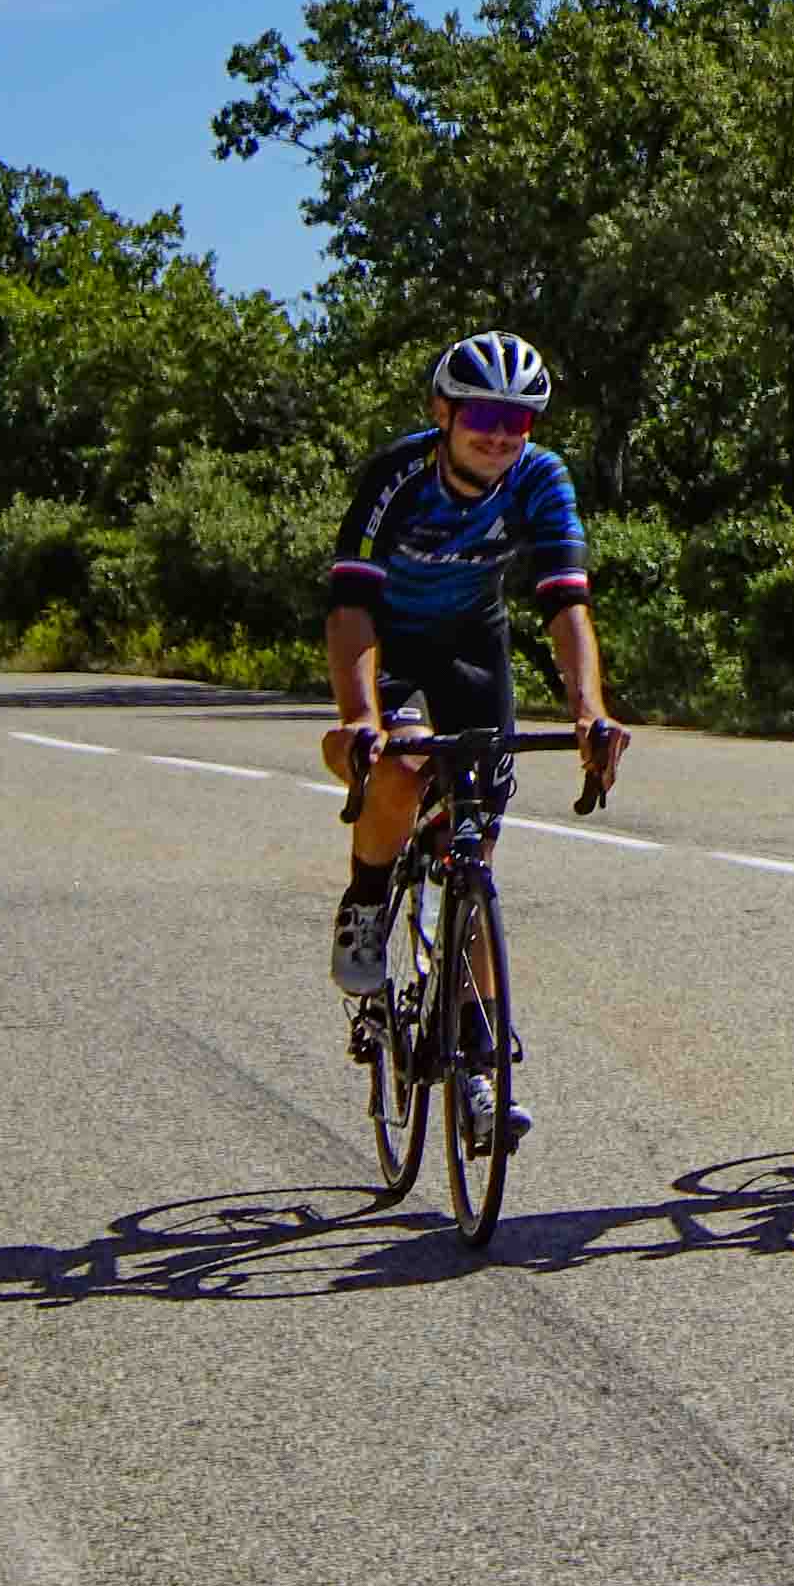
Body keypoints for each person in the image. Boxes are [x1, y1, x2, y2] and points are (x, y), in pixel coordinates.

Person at [319, 332, 626, 1063]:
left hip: (469, 645)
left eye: (516, 420)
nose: (498, 434)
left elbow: (565, 602)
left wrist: (590, 709)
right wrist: (360, 720)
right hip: (386, 640)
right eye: (483, 414)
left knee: (473, 845)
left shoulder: (541, 480)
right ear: (443, 412)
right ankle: (366, 894)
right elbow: (350, 606)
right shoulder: (398, 473)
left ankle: (476, 1032)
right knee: (397, 769)